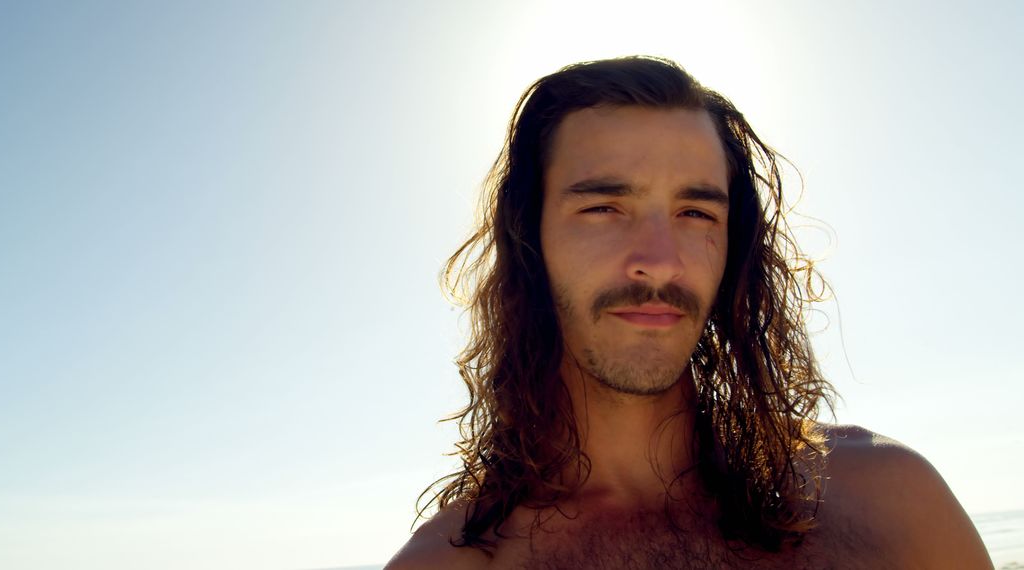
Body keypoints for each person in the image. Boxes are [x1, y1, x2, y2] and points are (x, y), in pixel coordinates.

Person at [386, 56, 991, 569]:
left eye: (696, 213)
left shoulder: (891, 497)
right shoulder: (446, 562)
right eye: (603, 207)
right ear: (529, 240)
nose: (660, 262)